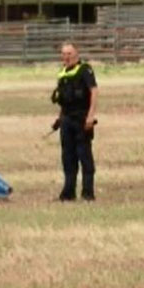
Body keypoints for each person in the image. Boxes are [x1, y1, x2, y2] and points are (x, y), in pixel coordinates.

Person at [51, 42, 98, 201]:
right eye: (64, 54)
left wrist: (91, 116)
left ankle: (87, 194)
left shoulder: (85, 70)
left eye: (69, 54)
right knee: (68, 158)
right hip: (66, 120)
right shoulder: (62, 73)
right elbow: (63, 100)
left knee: (84, 156)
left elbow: (94, 91)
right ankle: (68, 193)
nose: (66, 57)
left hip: (82, 119)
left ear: (76, 54)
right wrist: (59, 119)